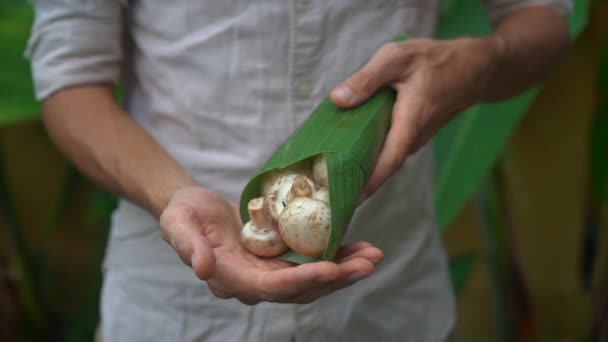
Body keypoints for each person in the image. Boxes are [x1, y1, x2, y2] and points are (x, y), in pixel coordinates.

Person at [26, 1, 572, 341]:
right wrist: (174, 195)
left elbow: (543, 20)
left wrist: (480, 63)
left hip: (388, 304)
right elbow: (70, 82)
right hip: (174, 308)